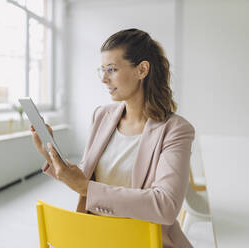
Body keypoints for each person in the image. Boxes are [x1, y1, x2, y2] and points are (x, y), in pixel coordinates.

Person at [30, 28, 194, 248]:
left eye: (112, 70)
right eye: (102, 71)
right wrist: (51, 156)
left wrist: (86, 188)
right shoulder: (102, 116)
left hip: (145, 241)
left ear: (142, 70)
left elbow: (165, 206)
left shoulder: (176, 130)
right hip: (97, 236)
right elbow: (85, 177)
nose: (104, 79)